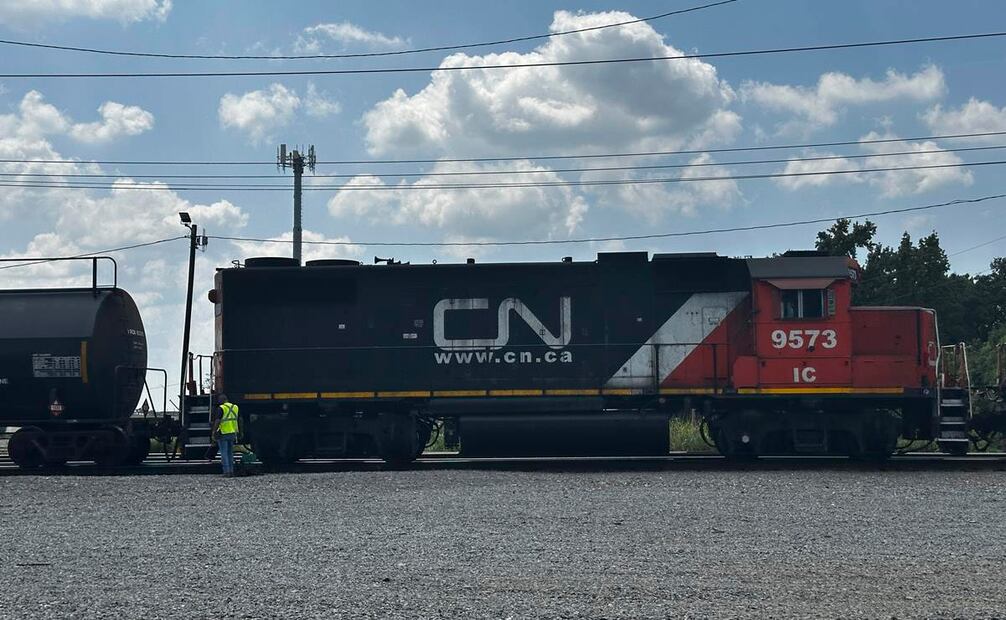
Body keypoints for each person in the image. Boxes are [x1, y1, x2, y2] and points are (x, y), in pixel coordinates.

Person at [212, 394, 239, 477]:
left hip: (223, 432)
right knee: (230, 453)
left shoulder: (221, 408)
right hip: (233, 432)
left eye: (219, 400)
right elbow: (239, 419)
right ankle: (231, 471)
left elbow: (217, 421)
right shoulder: (235, 407)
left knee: (224, 453)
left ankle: (226, 472)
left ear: (221, 400)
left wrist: (214, 431)